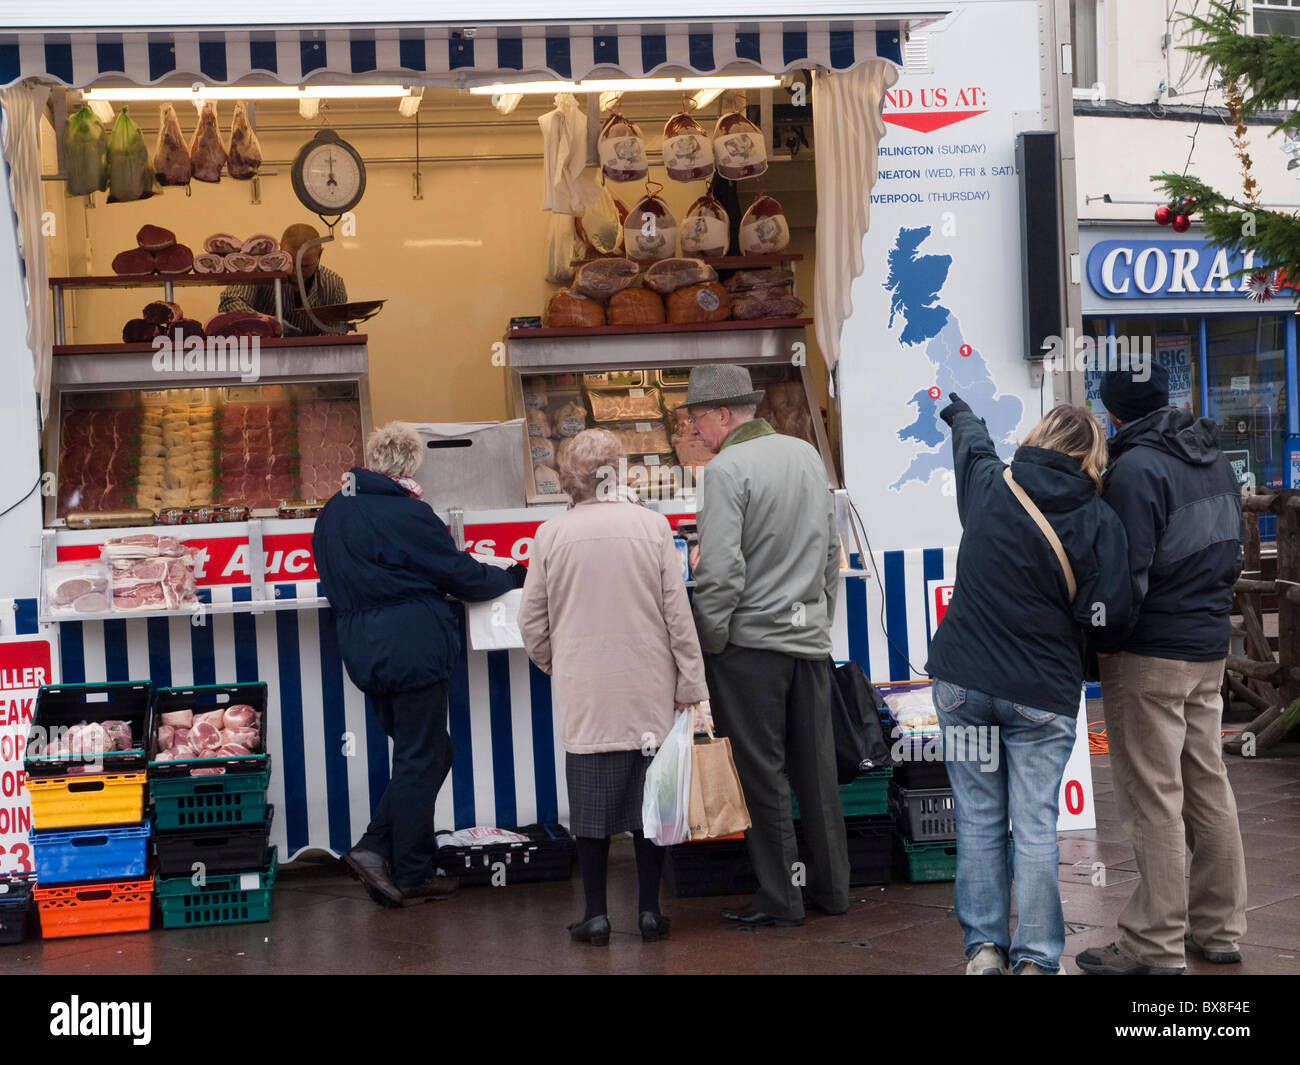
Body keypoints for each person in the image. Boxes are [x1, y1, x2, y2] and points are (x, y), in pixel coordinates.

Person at [927, 396, 1132, 975]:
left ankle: (985, 950)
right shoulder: (1098, 519)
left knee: (977, 819)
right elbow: (1111, 611)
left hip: (963, 688)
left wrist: (960, 413)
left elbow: (973, 445)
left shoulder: (993, 486)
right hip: (1040, 699)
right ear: (1091, 456)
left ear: (1039, 436)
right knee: (1036, 824)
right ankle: (1038, 959)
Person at [1076, 364, 1247, 976]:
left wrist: (1103, 640)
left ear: (1113, 414)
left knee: (1153, 797)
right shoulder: (1214, 457)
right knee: (1208, 784)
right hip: (1208, 645)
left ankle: (1155, 945)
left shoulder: (1135, 469)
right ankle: (1221, 929)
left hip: (1150, 652)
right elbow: (1236, 549)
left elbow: (1126, 574)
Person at [312, 422, 525, 907]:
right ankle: (404, 868)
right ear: (410, 465)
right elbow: (460, 574)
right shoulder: (407, 513)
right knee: (421, 756)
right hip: (411, 647)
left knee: (426, 754)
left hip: (364, 650)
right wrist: (510, 575)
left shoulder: (333, 512)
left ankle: (390, 853)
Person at [517, 429, 708, 946]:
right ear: (619, 472)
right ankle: (649, 911)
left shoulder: (551, 536)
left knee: (591, 809)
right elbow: (678, 617)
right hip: (650, 690)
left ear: (568, 479)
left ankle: (597, 914)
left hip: (588, 695)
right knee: (651, 806)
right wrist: (691, 684)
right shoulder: (652, 527)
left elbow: (532, 622)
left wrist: (561, 664)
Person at [685, 364, 847, 928]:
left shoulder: (726, 471)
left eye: (697, 419)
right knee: (816, 771)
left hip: (750, 648)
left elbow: (722, 573)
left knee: (763, 774)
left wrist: (711, 641)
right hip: (807, 643)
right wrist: (818, 621)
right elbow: (831, 551)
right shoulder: (804, 454)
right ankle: (832, 890)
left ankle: (782, 898)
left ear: (723, 415)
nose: (693, 431)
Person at [218, 223, 347, 336]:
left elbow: (337, 329)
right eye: (291, 262)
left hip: (314, 357)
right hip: (264, 353)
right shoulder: (259, 271)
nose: (297, 272)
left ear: (320, 254)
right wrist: (269, 322)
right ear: (280, 249)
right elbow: (229, 303)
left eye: (305, 266)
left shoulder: (333, 284)